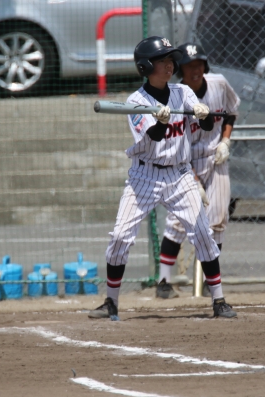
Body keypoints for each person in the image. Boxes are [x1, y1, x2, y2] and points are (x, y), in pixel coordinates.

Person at [88, 36, 237, 319]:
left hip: (180, 174)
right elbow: (154, 135)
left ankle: (219, 300)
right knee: (120, 236)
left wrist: (204, 114)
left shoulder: (183, 92)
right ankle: (111, 302)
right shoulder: (136, 101)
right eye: (162, 61)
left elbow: (207, 126)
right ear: (145, 66)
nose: (170, 66)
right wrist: (161, 120)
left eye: (171, 60)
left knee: (203, 233)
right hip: (144, 176)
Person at [155, 43, 240, 299]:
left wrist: (226, 141)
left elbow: (231, 112)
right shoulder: (173, 97)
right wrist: (193, 181)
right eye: (190, 65)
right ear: (180, 69)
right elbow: (174, 144)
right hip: (184, 162)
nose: (195, 70)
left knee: (218, 219)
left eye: (199, 64)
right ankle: (163, 281)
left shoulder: (218, 84)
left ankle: (208, 282)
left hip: (216, 158)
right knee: (178, 222)